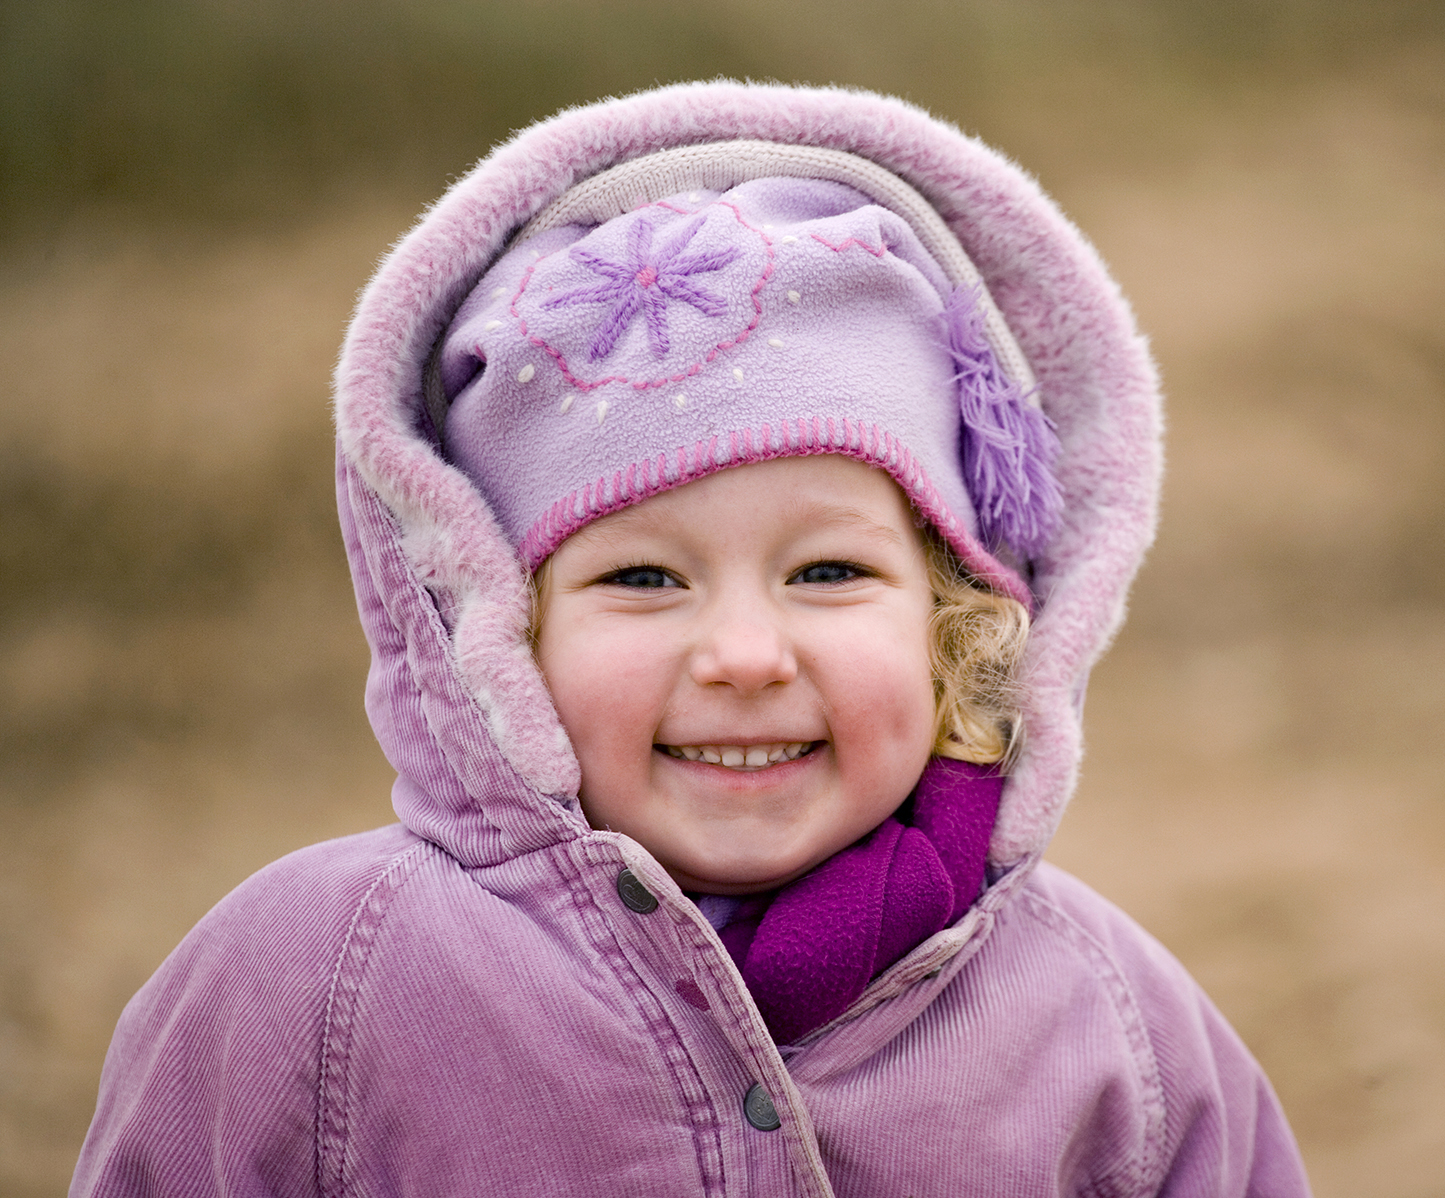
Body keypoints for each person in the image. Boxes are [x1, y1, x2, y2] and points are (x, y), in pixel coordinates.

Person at [72, 82, 1311, 1196]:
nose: (744, 654)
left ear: (955, 627)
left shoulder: (1109, 1030)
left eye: (828, 570)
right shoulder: (315, 986)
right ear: (498, 642)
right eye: (644, 576)